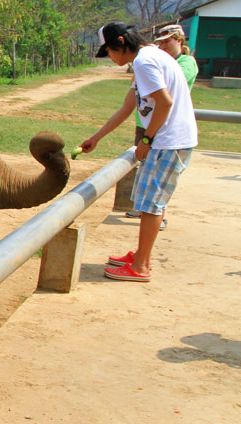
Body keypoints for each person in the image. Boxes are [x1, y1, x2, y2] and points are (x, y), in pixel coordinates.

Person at [79, 22, 197, 282]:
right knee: (149, 202)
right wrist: (96, 138)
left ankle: (141, 266)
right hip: (166, 140)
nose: (110, 58)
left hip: (168, 141)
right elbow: (126, 108)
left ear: (121, 43)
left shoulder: (145, 61)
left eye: (109, 51)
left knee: (152, 204)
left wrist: (147, 139)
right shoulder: (149, 59)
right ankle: (141, 255)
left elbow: (165, 102)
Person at [126, 24, 198, 230]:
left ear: (180, 41)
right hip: (148, 124)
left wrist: (146, 70)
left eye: (168, 41)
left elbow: (164, 93)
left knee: (156, 191)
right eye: (161, 42)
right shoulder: (154, 61)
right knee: (146, 179)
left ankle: (157, 217)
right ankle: (145, 213)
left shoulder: (182, 62)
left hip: (164, 130)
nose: (164, 45)